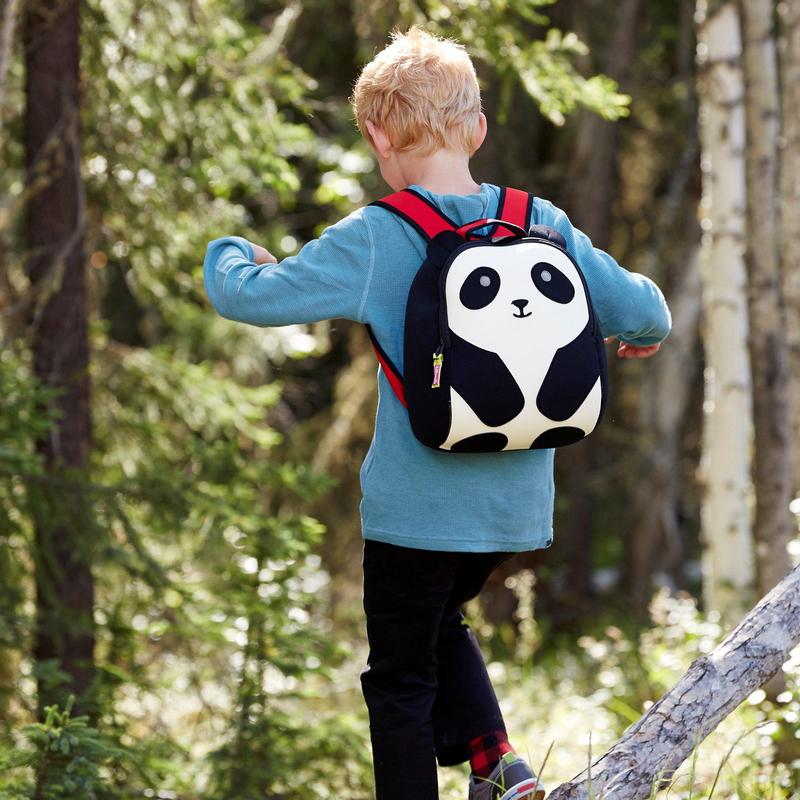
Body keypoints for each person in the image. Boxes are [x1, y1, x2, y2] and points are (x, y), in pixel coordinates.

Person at [203, 26, 671, 800]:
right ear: (477, 128)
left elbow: (246, 295)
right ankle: (500, 764)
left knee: (399, 681)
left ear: (379, 136)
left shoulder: (380, 237)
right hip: (516, 512)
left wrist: (233, 249)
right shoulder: (540, 221)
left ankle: (481, 767)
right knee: (440, 622)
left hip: (412, 514)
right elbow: (641, 307)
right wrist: (638, 334)